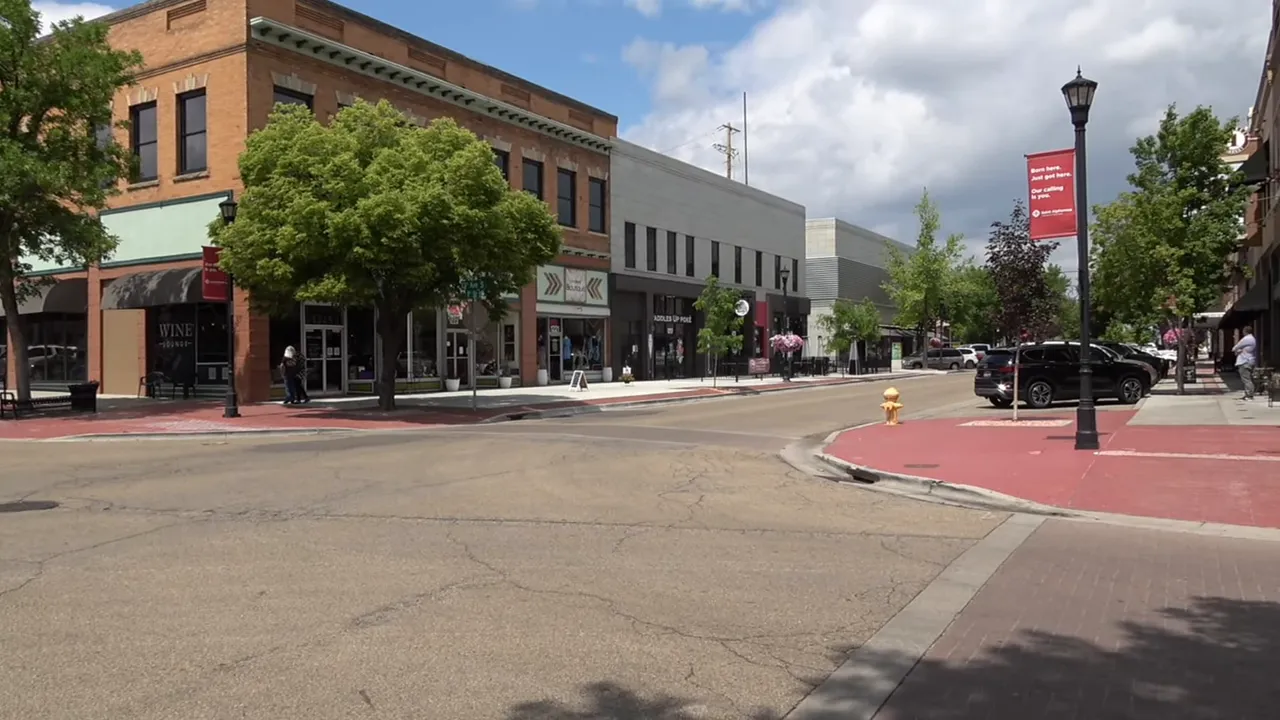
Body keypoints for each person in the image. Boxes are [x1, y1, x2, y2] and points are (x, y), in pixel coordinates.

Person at [1233, 326, 1257, 400]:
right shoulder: (1252, 339)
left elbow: (1235, 348)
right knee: (1248, 378)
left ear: (1245, 331)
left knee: (1246, 379)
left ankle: (1249, 395)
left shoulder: (1246, 339)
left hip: (1244, 361)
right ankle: (1248, 393)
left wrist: (1238, 349)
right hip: (1250, 360)